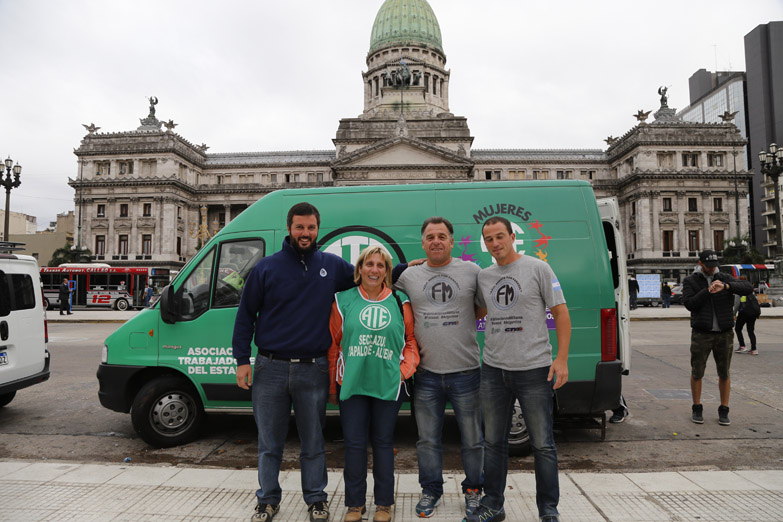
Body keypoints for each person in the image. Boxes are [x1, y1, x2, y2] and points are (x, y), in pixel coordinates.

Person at [233, 202, 355, 522]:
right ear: (289, 228)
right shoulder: (266, 268)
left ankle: (316, 499)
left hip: (312, 369)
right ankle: (267, 500)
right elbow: (245, 316)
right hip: (269, 368)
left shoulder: (331, 265)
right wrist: (241, 359)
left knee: (313, 441)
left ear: (318, 229)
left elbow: (371, 274)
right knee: (269, 443)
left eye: (311, 227)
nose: (305, 233)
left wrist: (406, 268)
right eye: (299, 227)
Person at [469, 217, 571, 522]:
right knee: (494, 442)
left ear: (512, 237)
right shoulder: (484, 277)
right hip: (493, 370)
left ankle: (548, 510)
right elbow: (478, 312)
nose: (495, 243)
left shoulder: (539, 268)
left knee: (542, 444)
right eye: (489, 239)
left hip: (534, 369)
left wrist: (562, 358)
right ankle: (493, 505)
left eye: (500, 236)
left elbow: (561, 313)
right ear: (484, 243)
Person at [392, 217, 486, 518]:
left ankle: (474, 490)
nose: (436, 241)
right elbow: (376, 278)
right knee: (427, 440)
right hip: (426, 375)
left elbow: (482, 306)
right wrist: (402, 267)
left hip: (467, 372)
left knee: (472, 439)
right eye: (430, 237)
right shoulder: (410, 275)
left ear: (451, 241)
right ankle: (431, 490)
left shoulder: (471, 271)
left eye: (442, 236)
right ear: (422, 243)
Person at [328, 246, 420, 522]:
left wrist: (404, 371)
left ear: (387, 271)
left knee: (382, 444)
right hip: (352, 384)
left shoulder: (399, 300)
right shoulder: (342, 301)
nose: (375, 269)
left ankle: (384, 504)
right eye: (369, 264)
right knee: (354, 446)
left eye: (381, 265)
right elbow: (334, 346)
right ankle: (355, 505)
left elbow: (411, 340)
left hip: (388, 385)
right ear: (359, 269)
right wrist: (334, 386)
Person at [682, 249, 752, 427]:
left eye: (714, 266)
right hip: (701, 333)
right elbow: (689, 304)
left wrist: (726, 286)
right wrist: (708, 291)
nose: (712, 269)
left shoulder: (725, 277)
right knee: (697, 371)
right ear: (700, 264)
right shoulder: (690, 281)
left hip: (725, 333)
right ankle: (697, 407)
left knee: (724, 372)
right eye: (709, 266)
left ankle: (724, 409)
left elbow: (748, 287)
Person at [734, 278, 761, 355]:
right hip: (753, 313)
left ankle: (742, 346)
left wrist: (733, 314)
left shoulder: (738, 291)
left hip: (744, 313)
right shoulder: (750, 291)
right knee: (751, 331)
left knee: (738, 329)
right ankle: (754, 349)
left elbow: (737, 304)